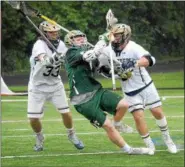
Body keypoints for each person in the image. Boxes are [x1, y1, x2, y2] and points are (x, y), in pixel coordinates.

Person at [63, 30, 153, 155]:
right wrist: (104, 40)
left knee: (124, 105)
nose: (81, 40)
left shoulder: (91, 52)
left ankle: (117, 123)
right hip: (82, 99)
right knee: (108, 126)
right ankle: (129, 150)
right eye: (77, 38)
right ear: (70, 41)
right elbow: (90, 55)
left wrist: (118, 73)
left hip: (96, 90)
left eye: (82, 37)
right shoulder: (70, 53)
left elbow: (103, 69)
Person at [95, 23, 177, 154]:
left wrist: (134, 63)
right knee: (138, 116)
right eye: (113, 35)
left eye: (117, 35)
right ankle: (150, 145)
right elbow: (100, 67)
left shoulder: (133, 47)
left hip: (145, 86)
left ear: (125, 35)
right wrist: (111, 72)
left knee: (157, 112)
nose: (114, 38)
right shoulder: (108, 50)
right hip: (129, 90)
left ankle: (168, 140)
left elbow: (150, 60)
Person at [27, 21, 84, 151]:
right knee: (33, 118)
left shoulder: (61, 45)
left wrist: (78, 52)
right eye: (51, 32)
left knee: (66, 113)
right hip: (37, 87)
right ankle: (39, 137)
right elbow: (44, 60)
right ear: (44, 33)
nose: (55, 34)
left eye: (56, 32)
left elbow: (70, 59)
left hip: (55, 85)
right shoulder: (39, 45)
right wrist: (54, 57)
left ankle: (71, 134)